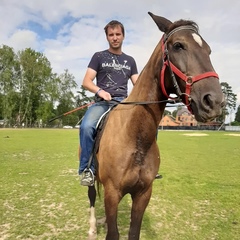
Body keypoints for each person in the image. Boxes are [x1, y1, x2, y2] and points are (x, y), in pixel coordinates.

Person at [79, 20, 138, 186]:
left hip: (124, 103)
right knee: (86, 126)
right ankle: (87, 169)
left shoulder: (130, 61)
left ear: (123, 36)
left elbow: (138, 84)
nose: (115, 38)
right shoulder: (98, 57)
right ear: (107, 37)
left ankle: (144, 166)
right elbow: (86, 81)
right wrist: (100, 91)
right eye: (111, 35)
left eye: (118, 34)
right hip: (103, 102)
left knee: (148, 124)